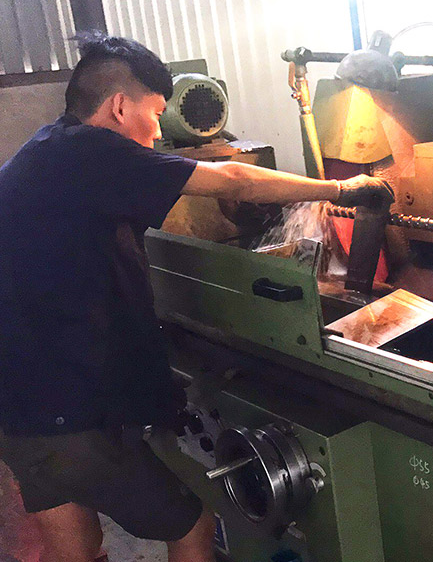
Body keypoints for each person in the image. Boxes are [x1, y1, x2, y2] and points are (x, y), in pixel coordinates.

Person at [0, 34, 393, 562]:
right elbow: (235, 181)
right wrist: (345, 190)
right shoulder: (94, 153)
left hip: (21, 408)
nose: (157, 132)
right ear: (120, 106)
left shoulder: (47, 148)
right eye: (155, 114)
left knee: (74, 545)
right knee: (192, 522)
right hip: (70, 415)